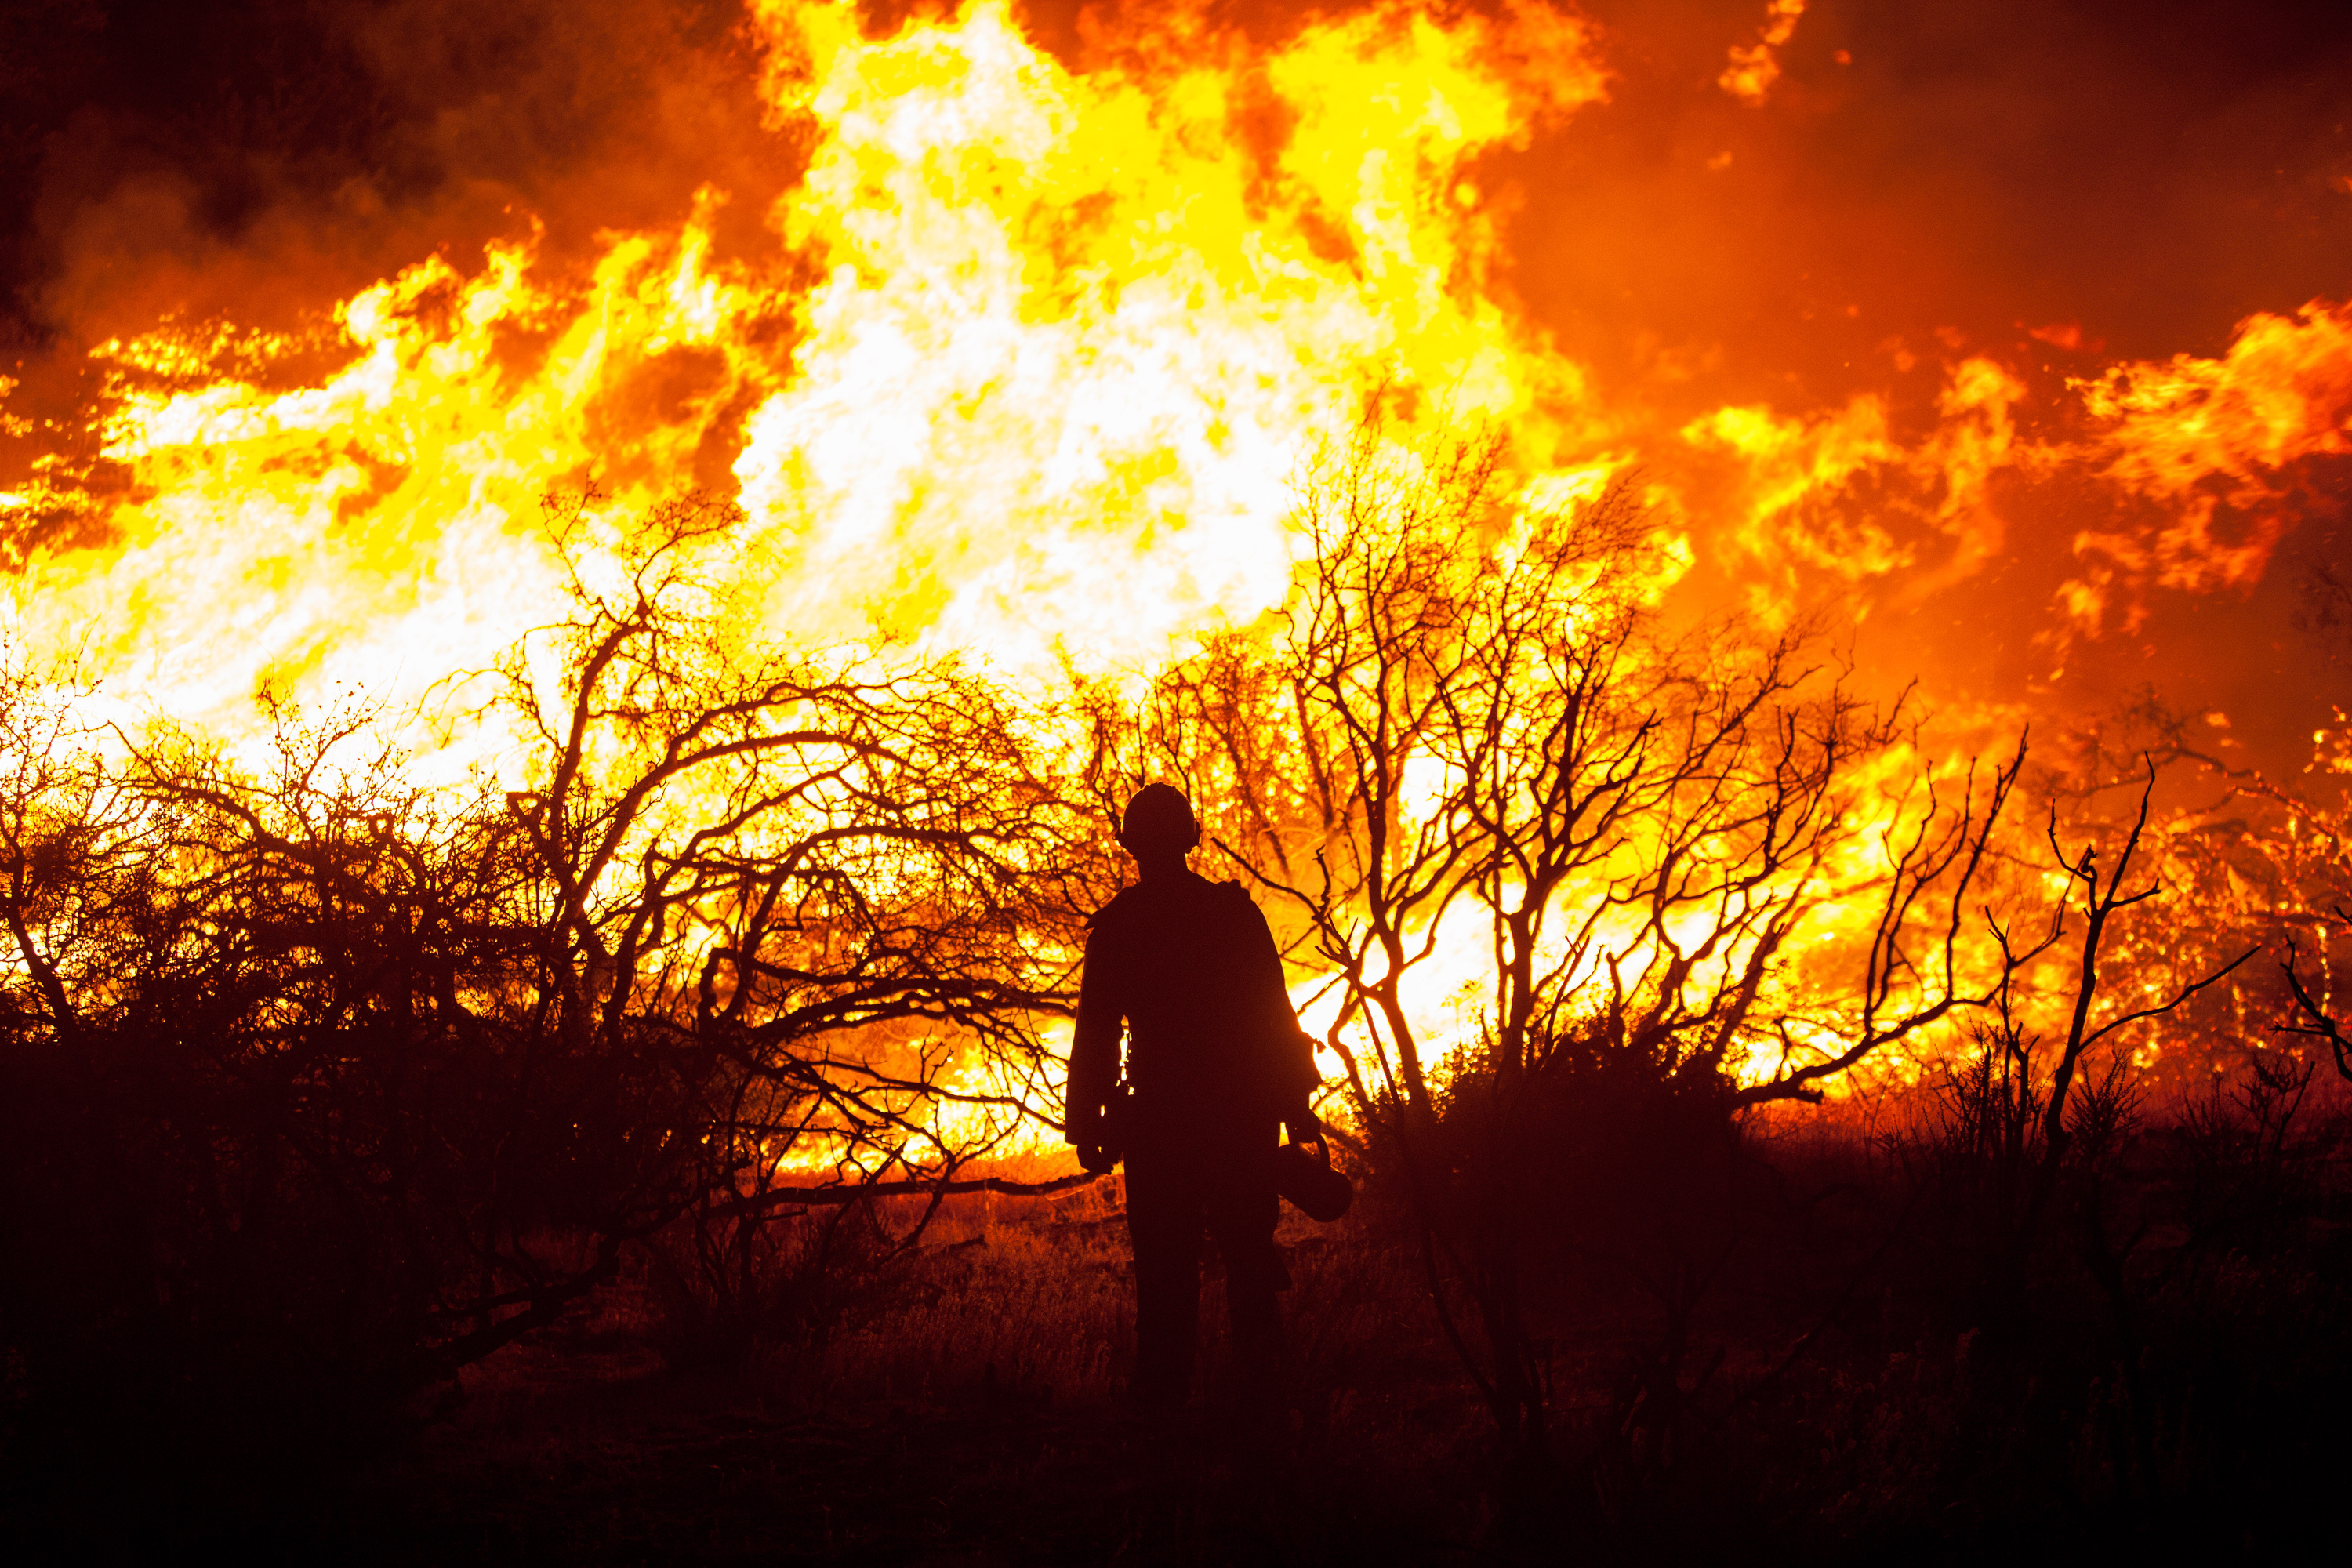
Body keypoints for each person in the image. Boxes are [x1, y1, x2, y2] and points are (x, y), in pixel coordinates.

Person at [1065, 783, 1322, 1418]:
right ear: (1190, 838)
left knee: (1164, 1263)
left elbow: (1095, 1031)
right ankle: (1265, 1398)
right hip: (1239, 1113)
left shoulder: (1121, 926)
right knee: (1247, 1254)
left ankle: (1162, 1399)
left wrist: (1087, 1123)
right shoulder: (1234, 916)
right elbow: (1273, 1017)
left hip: (1163, 1118)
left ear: (1132, 847)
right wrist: (1295, 1108)